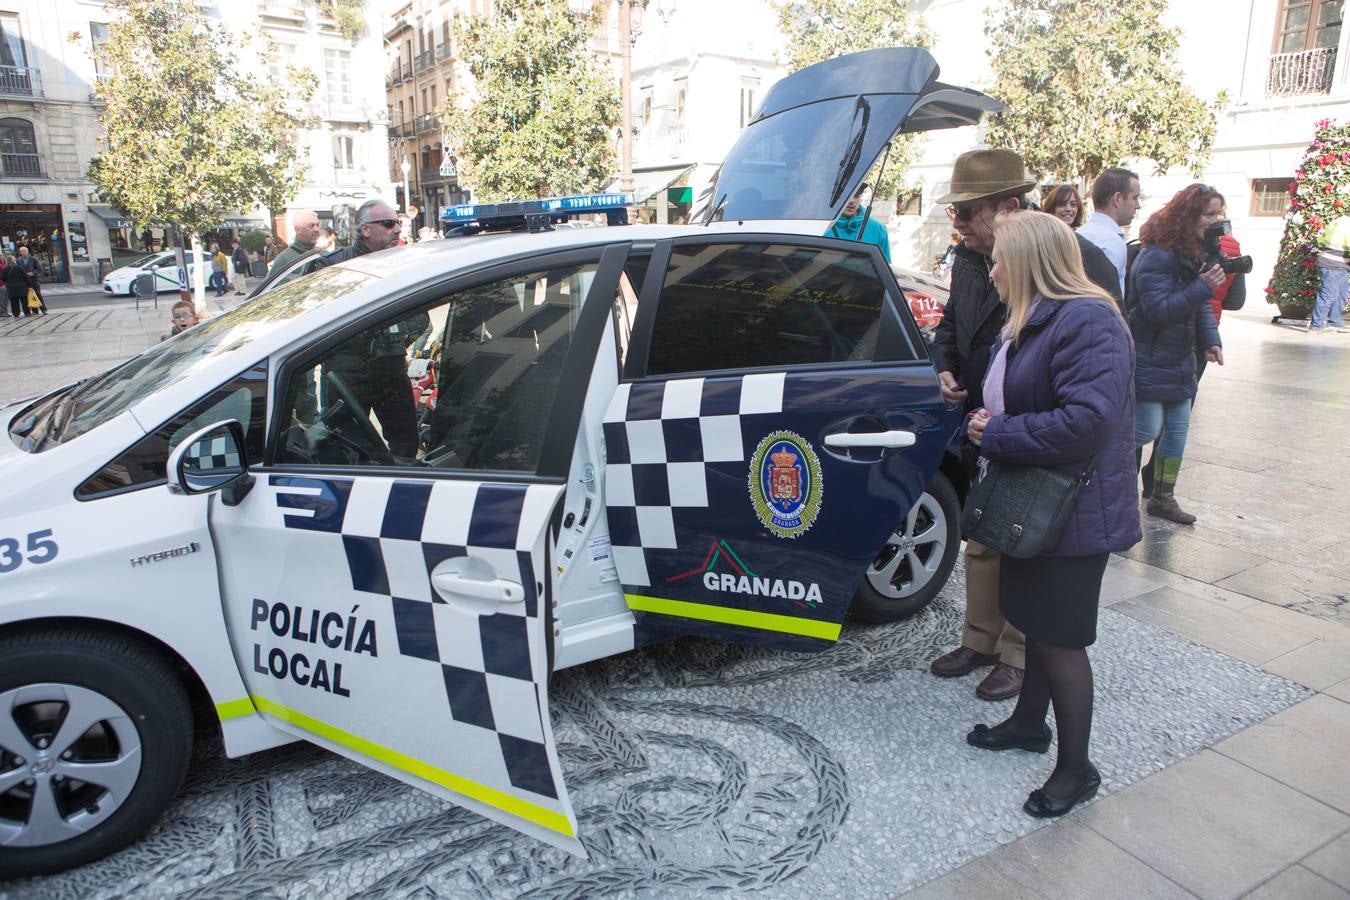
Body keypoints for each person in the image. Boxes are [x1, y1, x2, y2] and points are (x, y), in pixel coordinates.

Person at [963, 209, 1140, 820]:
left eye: (997, 261)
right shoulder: (1035, 317)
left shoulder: (1088, 319)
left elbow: (1087, 422)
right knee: (1036, 623)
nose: (991, 272)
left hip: (1074, 511)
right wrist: (984, 425)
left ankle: (1076, 770)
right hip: (1038, 502)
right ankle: (1027, 726)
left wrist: (998, 433)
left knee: (1060, 641)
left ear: (1026, 262)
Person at [928, 148, 1038, 701]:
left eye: (967, 211)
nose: (960, 223)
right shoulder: (971, 259)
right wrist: (945, 365)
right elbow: (951, 324)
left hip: (1028, 430)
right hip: (980, 427)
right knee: (981, 539)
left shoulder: (1060, 258)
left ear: (1008, 208)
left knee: (1022, 545)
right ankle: (980, 639)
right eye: (956, 212)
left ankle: (1019, 654)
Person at [1128, 183, 1225, 525]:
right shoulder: (1157, 254)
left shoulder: (1193, 252)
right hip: (1150, 356)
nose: (1215, 221)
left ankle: (1163, 498)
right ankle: (1108, 482)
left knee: (1177, 433)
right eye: (1209, 214)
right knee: (1145, 429)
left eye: (1218, 214)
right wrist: (1202, 287)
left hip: (1180, 359)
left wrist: (1211, 340)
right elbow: (1156, 310)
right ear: (1188, 215)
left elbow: (1199, 305)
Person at [314, 199, 427, 459]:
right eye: (388, 224)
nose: (397, 229)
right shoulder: (332, 268)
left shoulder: (404, 266)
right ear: (365, 229)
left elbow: (420, 318)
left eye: (397, 222)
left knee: (406, 443)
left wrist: (393, 338)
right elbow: (317, 322)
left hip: (390, 369)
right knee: (348, 448)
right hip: (348, 372)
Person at [1078, 167, 1143, 300]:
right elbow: (1108, 298)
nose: (1138, 205)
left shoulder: (1079, 234)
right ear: (1117, 199)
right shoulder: (1112, 243)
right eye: (1135, 198)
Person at [825, 182, 891, 262]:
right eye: (847, 195)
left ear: (861, 197)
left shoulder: (878, 229)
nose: (852, 200)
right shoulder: (822, 226)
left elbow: (885, 265)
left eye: (856, 195)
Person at [1311, 212, 1350, 335]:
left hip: (1331, 263)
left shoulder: (1336, 221)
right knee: (1327, 295)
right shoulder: (1347, 225)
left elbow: (1320, 240)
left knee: (1341, 294)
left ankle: (1335, 322)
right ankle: (1316, 326)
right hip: (1334, 266)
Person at [270, 209, 320, 275]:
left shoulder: (323, 254)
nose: (316, 229)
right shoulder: (283, 259)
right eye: (311, 226)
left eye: (317, 225)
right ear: (298, 229)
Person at [15, 246, 46, 314]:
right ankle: (35, 311)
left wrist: (33, 273)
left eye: (24, 251)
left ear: (27, 252)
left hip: (34, 280)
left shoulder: (33, 259)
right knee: (29, 296)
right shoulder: (18, 260)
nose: (23, 253)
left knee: (37, 294)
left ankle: (43, 309)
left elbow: (39, 269)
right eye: (21, 251)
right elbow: (17, 270)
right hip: (25, 281)